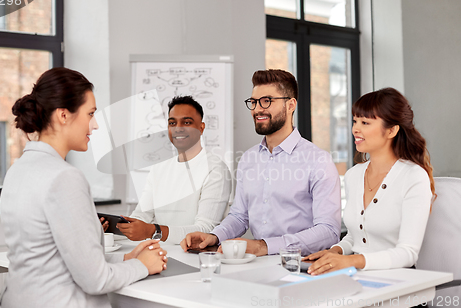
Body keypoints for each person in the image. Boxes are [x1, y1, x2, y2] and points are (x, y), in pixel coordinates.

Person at [0, 68, 167, 308]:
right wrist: (143, 265)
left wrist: (127, 258)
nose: (95, 124)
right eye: (90, 114)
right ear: (63, 116)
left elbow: (57, 258)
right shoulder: (64, 178)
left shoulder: (18, 170)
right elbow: (96, 280)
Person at [181, 69, 341, 256]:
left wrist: (264, 246)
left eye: (267, 101)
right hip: (257, 265)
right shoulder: (249, 159)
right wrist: (214, 236)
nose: (257, 109)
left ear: (290, 105)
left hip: (301, 267)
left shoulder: (318, 160)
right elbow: (240, 217)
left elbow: (328, 231)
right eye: (254, 102)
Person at [303, 87, 434, 275]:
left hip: (399, 284)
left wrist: (351, 260)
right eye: (355, 121)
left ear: (391, 130)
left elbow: (408, 253)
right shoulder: (353, 175)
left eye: (365, 122)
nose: (355, 129)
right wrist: (334, 252)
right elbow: (356, 236)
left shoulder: (414, 177)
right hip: (355, 277)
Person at [113, 96, 232, 244]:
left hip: (197, 257)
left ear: (201, 128)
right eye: (172, 123)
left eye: (187, 122)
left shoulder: (215, 169)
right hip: (159, 254)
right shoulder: (159, 168)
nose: (178, 128)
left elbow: (205, 229)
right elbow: (142, 215)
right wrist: (112, 227)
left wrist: (153, 231)